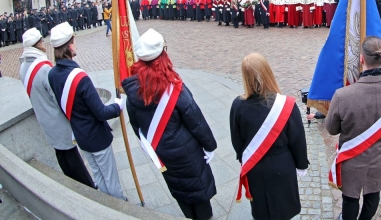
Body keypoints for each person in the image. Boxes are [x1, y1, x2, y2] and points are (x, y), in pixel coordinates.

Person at [123, 29, 217, 220]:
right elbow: (195, 119)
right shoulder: (174, 87)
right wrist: (210, 146)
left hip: (161, 154)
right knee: (199, 194)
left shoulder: (132, 91)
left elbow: (136, 127)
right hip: (187, 153)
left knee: (178, 189)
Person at [326, 36, 381, 220]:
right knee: (372, 197)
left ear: (361, 59)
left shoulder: (342, 95)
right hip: (380, 159)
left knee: (350, 200)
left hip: (352, 160)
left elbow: (332, 129)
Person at [47, 22, 127, 200]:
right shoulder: (80, 77)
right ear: (69, 45)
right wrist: (117, 106)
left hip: (80, 136)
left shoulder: (52, 74)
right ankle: (120, 209)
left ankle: (105, 206)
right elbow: (101, 113)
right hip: (97, 138)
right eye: (74, 41)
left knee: (98, 176)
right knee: (111, 181)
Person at [229, 53, 308, 220]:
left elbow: (236, 140)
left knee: (261, 209)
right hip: (282, 163)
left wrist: (244, 157)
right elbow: (297, 139)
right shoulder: (287, 105)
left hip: (255, 165)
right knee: (283, 209)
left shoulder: (238, 105)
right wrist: (301, 164)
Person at [19, 28, 95, 189]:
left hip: (43, 118)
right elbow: (58, 97)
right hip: (57, 119)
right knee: (72, 157)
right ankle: (87, 187)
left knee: (61, 155)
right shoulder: (44, 68)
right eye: (41, 42)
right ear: (38, 44)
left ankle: (71, 183)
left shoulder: (23, 67)